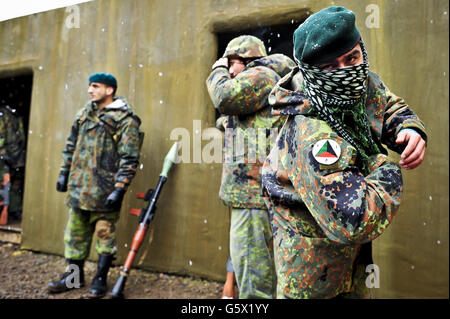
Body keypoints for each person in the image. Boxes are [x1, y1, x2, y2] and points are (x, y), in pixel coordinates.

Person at [261, 6, 427, 299]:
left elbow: (383, 102)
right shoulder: (313, 136)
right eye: (330, 68)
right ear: (312, 74)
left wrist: (409, 128)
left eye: (352, 58)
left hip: (352, 269)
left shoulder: (358, 84)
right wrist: (383, 166)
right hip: (314, 279)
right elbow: (355, 221)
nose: (346, 73)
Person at [206, 35, 296, 298]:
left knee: (254, 281)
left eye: (233, 62)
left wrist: (217, 69)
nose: (230, 69)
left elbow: (223, 97)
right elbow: (246, 119)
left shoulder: (261, 75)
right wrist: (228, 123)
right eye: (227, 63)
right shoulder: (264, 80)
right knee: (257, 271)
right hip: (255, 194)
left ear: (249, 60)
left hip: (253, 196)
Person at [47, 72, 143, 298]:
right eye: (90, 86)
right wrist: (64, 173)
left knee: (104, 237)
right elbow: (71, 145)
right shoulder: (84, 114)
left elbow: (129, 158)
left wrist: (120, 189)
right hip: (79, 189)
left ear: (109, 90)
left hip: (104, 191)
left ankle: (100, 279)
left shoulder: (125, 121)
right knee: (74, 237)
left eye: (95, 86)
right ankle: (73, 277)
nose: (90, 90)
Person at [0, 104, 26, 222]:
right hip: (9, 155)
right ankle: (10, 210)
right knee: (7, 185)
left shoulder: (13, 115)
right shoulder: (7, 115)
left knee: (13, 184)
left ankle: (13, 210)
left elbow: (20, 138)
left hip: (14, 156)